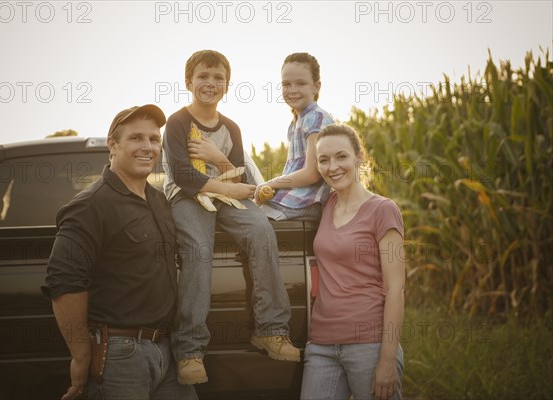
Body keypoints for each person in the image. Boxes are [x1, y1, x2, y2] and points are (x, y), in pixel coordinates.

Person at [162, 50, 300, 385]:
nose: (210, 83)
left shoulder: (232, 128)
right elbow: (182, 175)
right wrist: (231, 188)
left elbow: (237, 174)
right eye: (203, 76)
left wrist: (216, 156)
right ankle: (190, 349)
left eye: (218, 78)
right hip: (188, 196)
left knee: (261, 230)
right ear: (188, 82)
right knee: (198, 247)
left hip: (226, 195)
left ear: (227, 84)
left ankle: (271, 330)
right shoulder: (177, 122)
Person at [42, 105, 197, 400]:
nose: (147, 147)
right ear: (112, 145)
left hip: (169, 351)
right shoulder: (90, 205)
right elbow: (64, 283)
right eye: (136, 138)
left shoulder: (160, 201)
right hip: (120, 356)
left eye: (154, 139)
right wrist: (81, 355)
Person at [300, 124, 405, 400]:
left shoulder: (383, 210)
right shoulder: (326, 206)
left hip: (369, 344)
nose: (332, 166)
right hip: (321, 344)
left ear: (359, 157)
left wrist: (387, 358)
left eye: (341, 156)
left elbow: (396, 289)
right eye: (324, 160)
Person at [254, 52, 335, 221]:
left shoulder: (316, 117)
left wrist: (271, 183)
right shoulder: (296, 122)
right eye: (286, 84)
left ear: (316, 86)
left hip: (304, 203)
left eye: (301, 83)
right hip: (290, 201)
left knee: (249, 223)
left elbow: (312, 173)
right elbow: (293, 171)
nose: (292, 90)